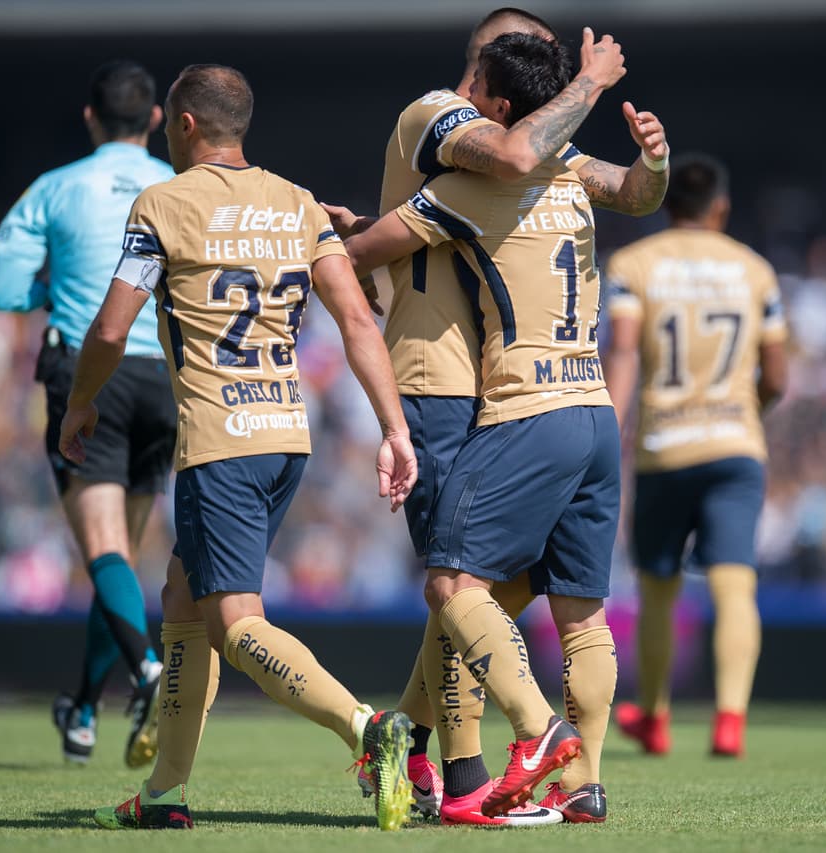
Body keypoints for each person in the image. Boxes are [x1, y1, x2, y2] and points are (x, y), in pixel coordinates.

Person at [327, 7, 667, 826]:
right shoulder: (548, 167)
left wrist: (331, 239)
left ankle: (505, 755)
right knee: (571, 608)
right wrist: (653, 161)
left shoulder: (479, 178)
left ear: (499, 97)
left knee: (455, 585)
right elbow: (631, 192)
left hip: (512, 403)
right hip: (591, 408)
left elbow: (368, 252)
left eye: (479, 83)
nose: (465, 89)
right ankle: (578, 779)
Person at [58, 64, 419, 831]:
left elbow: (114, 326)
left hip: (218, 437)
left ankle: (369, 729)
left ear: (184, 124)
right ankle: (163, 795)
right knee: (184, 603)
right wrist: (394, 427)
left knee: (234, 622)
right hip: (286, 433)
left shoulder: (160, 204)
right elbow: (357, 320)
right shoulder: (296, 203)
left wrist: (81, 401)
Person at [0, 60, 174, 768]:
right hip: (167, 380)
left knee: (101, 549)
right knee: (118, 556)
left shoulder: (55, 187)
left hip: (90, 370)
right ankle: (87, 710)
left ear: (90, 118)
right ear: (155, 120)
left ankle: (149, 671)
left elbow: (3, 289)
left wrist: (54, 285)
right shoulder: (176, 188)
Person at [604, 153, 789, 758]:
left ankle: (654, 717)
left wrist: (611, 424)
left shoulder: (634, 265)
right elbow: (779, 375)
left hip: (664, 445)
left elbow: (625, 349)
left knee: (659, 588)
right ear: (722, 207)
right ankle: (729, 719)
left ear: (666, 205)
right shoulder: (755, 271)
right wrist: (747, 411)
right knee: (736, 584)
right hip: (736, 445)